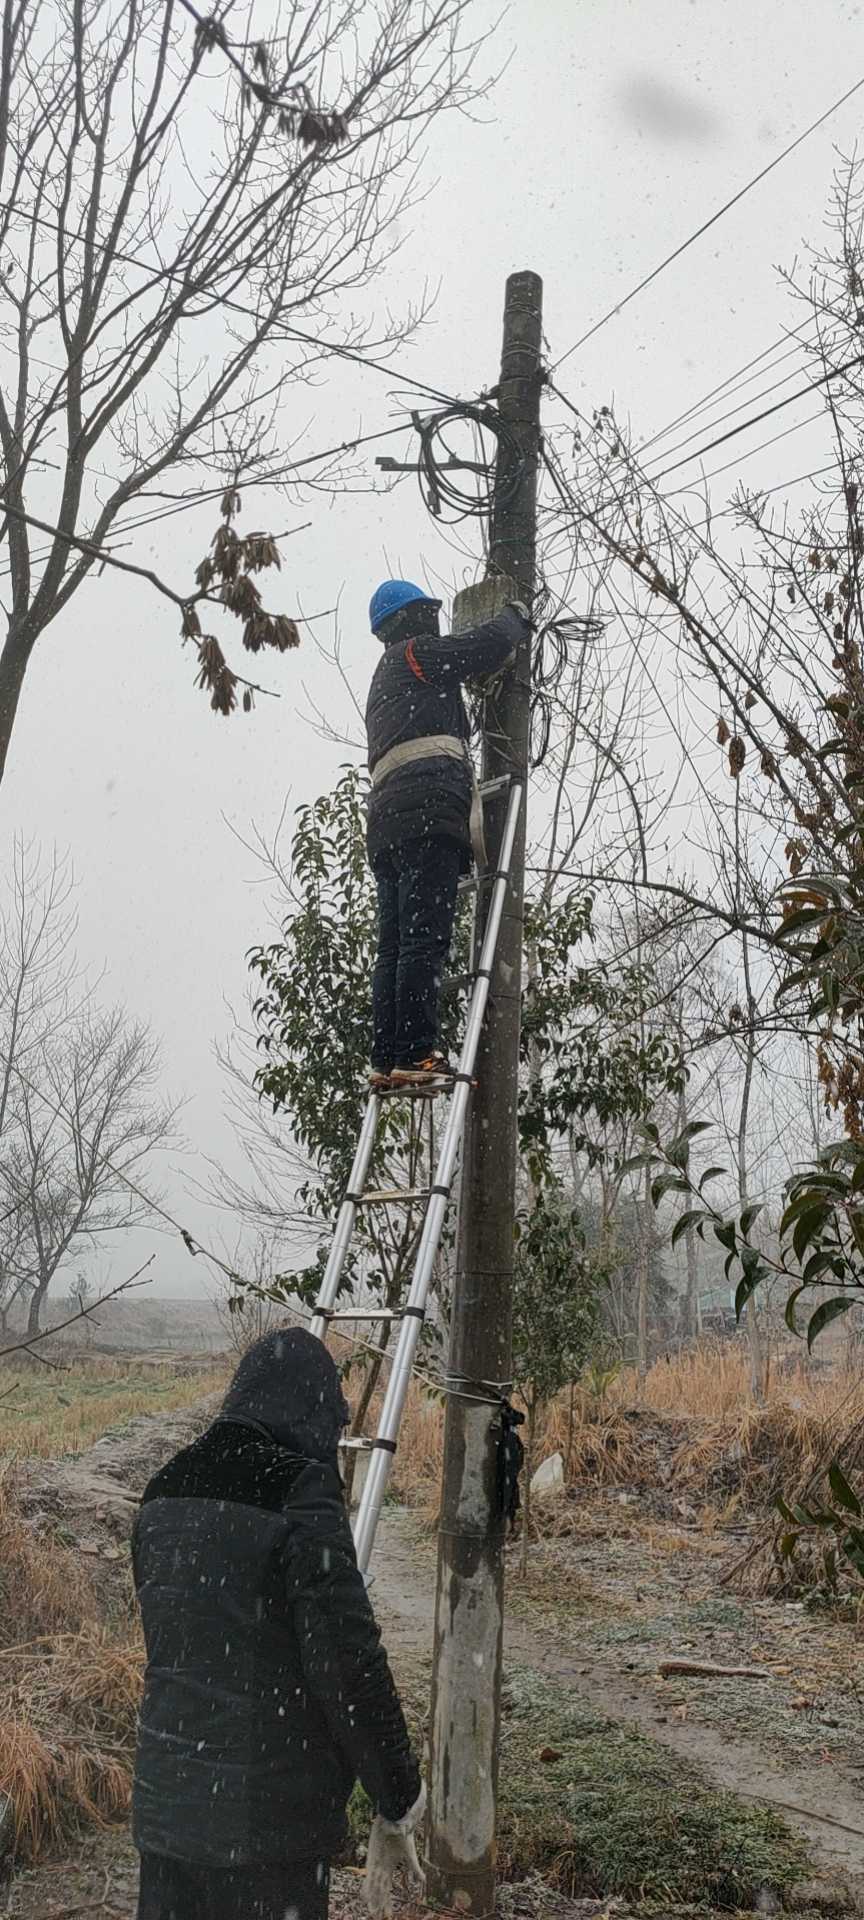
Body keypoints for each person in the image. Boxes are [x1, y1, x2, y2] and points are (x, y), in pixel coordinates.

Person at [132, 1328, 424, 1920]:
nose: (333, 1438)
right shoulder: (298, 1491)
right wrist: (399, 1793)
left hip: (166, 1817)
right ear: (307, 1410)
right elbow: (349, 1665)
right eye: (332, 1423)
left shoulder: (162, 1490)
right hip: (267, 1829)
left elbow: (180, 1656)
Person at [365, 578, 531, 1087]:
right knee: (423, 941)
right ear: (410, 619)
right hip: (427, 812)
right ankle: (416, 1054)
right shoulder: (415, 654)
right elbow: (482, 646)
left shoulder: (384, 681)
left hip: (388, 824)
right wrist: (514, 618)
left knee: (394, 946)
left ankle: (389, 1057)